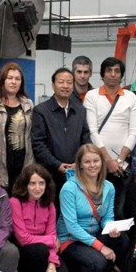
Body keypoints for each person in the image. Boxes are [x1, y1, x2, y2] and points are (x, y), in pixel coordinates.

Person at [57, 144, 135, 272]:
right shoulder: (69, 188)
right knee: (98, 262)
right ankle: (69, 270)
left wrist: (111, 228)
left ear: (101, 162)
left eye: (96, 161)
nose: (92, 165)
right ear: (80, 164)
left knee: (122, 240)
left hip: (93, 235)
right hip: (71, 239)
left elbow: (107, 217)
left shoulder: (108, 187)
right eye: (87, 162)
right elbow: (72, 226)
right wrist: (101, 247)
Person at [9, 164, 73, 272]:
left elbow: (52, 236)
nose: (37, 188)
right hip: (23, 251)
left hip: (43, 250)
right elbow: (23, 238)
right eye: (32, 183)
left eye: (41, 183)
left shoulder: (49, 205)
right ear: (25, 185)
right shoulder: (14, 202)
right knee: (40, 250)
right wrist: (50, 239)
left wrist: (52, 264)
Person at [85, 57, 136, 219]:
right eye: (109, 70)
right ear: (102, 74)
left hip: (123, 166)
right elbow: (92, 131)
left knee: (120, 210)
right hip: (97, 164)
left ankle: (119, 236)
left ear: (122, 75)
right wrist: (108, 160)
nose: (113, 74)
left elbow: (134, 131)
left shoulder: (131, 97)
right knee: (96, 209)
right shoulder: (92, 96)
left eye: (117, 71)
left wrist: (120, 161)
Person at [32, 68, 91, 204]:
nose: (65, 86)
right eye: (61, 82)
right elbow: (38, 144)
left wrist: (79, 163)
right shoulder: (41, 111)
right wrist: (57, 164)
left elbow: (86, 140)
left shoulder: (80, 110)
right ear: (53, 85)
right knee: (52, 210)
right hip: (49, 174)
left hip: (76, 174)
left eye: (69, 82)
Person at [0, 62, 34, 191]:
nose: (14, 82)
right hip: (1, 165)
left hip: (24, 163)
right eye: (10, 78)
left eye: (17, 79)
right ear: (2, 80)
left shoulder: (28, 104)